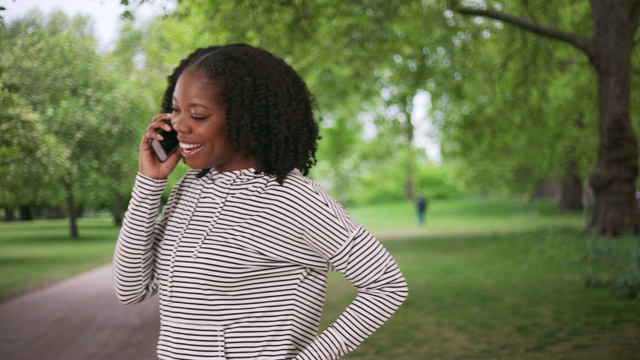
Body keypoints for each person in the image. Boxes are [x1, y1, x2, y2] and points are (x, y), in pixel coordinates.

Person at [113, 43, 408, 360]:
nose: (180, 125)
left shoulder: (295, 199)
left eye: (198, 114)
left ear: (244, 118)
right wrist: (149, 183)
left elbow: (386, 285)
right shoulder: (191, 188)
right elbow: (131, 289)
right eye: (175, 109)